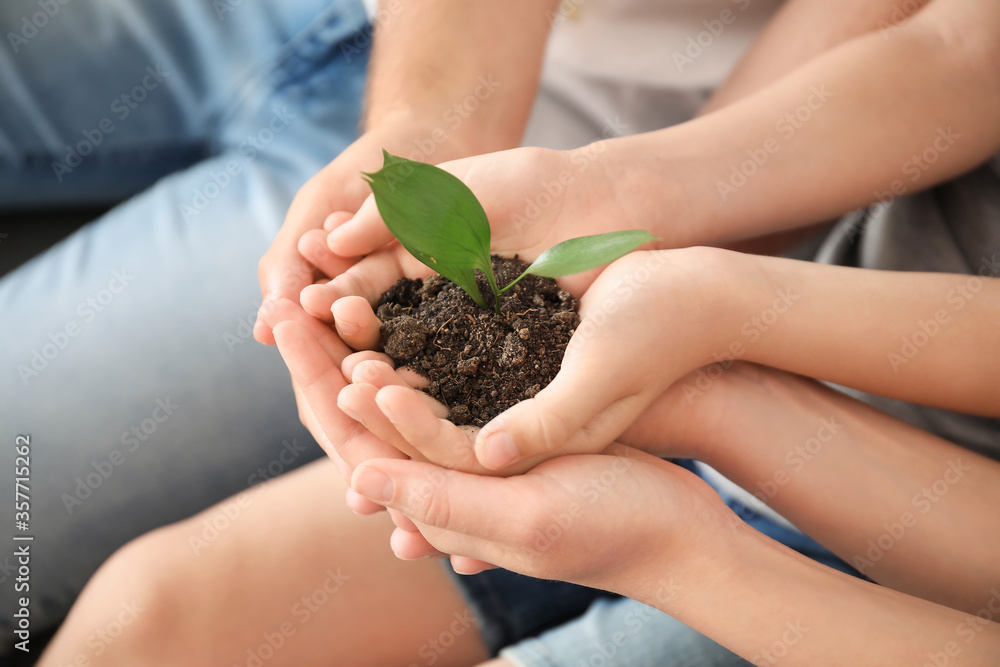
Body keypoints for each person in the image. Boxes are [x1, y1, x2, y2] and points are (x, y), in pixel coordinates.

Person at [22, 0, 1000, 665]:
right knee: (146, 615)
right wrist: (631, 197)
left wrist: (694, 515)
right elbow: (959, 48)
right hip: (765, 324)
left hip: (910, 558)